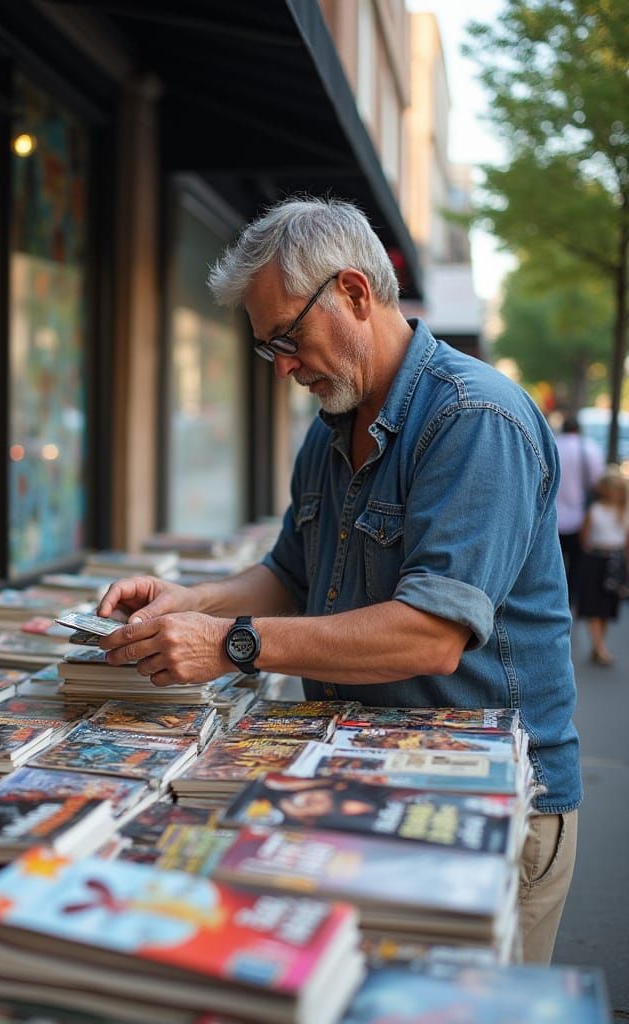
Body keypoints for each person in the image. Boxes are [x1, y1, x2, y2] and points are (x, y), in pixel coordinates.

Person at [97, 197, 581, 965]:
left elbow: (430, 634)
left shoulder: (475, 418)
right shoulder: (330, 430)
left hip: (479, 808)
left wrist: (232, 643)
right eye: (268, 349)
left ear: (356, 292)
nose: (284, 368)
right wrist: (188, 604)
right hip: (356, 779)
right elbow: (290, 574)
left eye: (287, 337)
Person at [577, 466, 629, 665]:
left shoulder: (623, 512)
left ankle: (598, 646)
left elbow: (626, 543)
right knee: (594, 605)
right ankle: (600, 647)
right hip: (595, 560)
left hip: (614, 562)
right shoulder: (595, 510)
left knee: (606, 608)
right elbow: (584, 538)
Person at [554, 412, 603, 606]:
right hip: (579, 517)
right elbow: (597, 483)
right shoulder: (588, 449)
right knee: (576, 564)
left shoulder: (552, 444)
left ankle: (555, 597)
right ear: (578, 430)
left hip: (552, 517)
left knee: (554, 562)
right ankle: (570, 600)